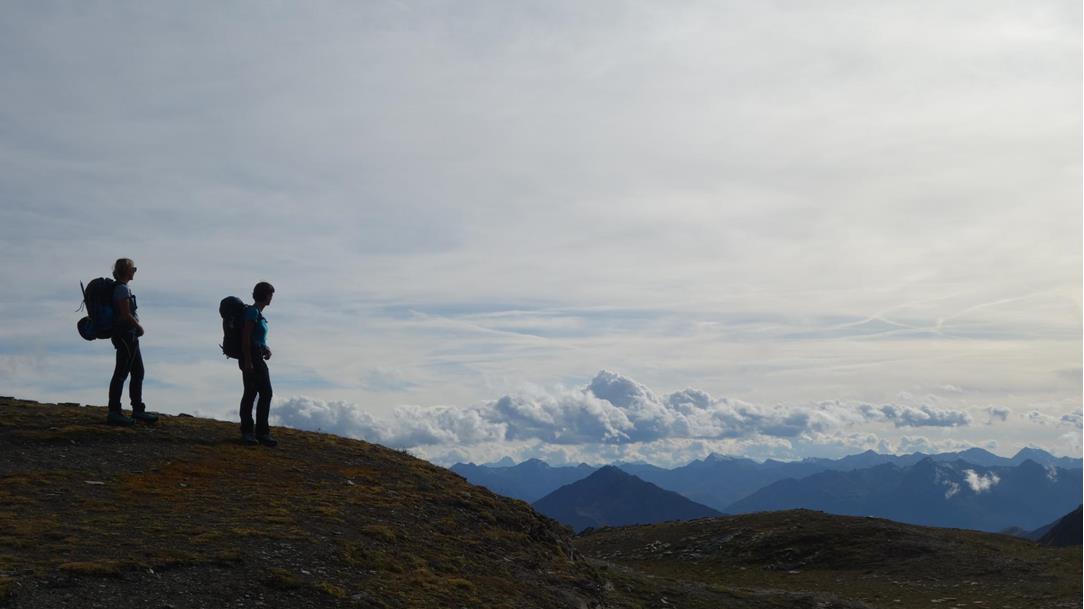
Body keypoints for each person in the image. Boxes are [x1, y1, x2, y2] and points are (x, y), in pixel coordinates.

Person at [107, 258, 158, 426]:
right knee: (121, 373)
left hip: (128, 335)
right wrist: (138, 327)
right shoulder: (122, 289)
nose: (135, 272)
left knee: (137, 372)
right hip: (126, 335)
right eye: (133, 269)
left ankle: (138, 409)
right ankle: (115, 412)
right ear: (126, 271)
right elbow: (125, 314)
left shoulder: (121, 288)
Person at [240, 281, 276, 446]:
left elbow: (256, 338)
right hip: (251, 357)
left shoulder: (258, 314)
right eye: (271, 294)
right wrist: (248, 361)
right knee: (257, 393)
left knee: (257, 393)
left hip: (256, 356)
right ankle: (253, 433)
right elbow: (246, 338)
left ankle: (256, 432)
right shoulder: (252, 312)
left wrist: (265, 348)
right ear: (266, 295)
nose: (271, 298)